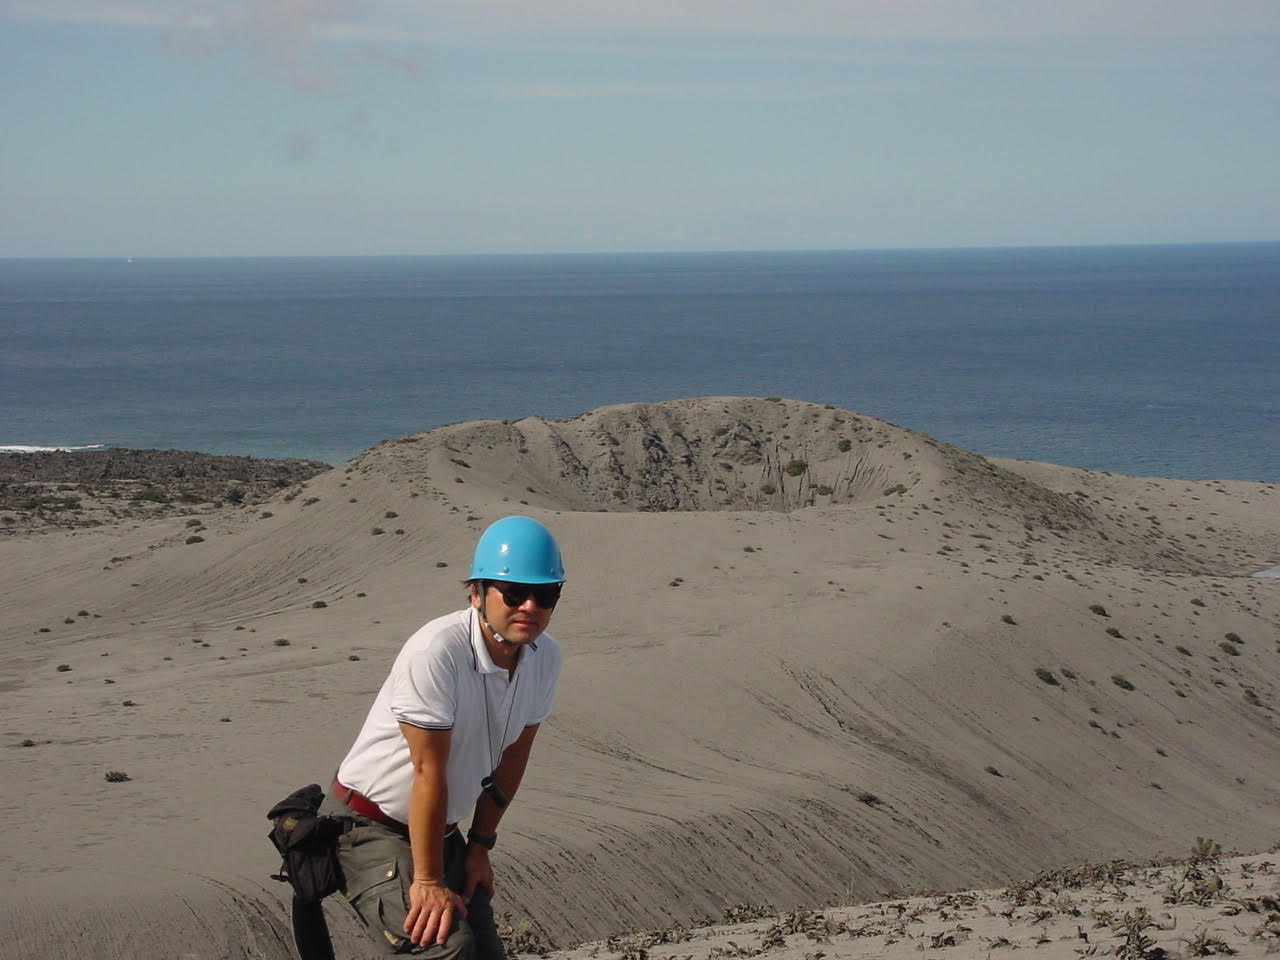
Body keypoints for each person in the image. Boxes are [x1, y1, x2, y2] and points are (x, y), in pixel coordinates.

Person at [320, 516, 566, 958]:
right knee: (445, 948)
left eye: (544, 594)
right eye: (513, 593)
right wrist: (429, 881)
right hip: (372, 826)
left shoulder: (544, 658)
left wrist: (480, 847)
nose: (529, 606)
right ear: (476, 593)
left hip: (441, 830)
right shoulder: (439, 651)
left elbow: (512, 759)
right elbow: (427, 772)